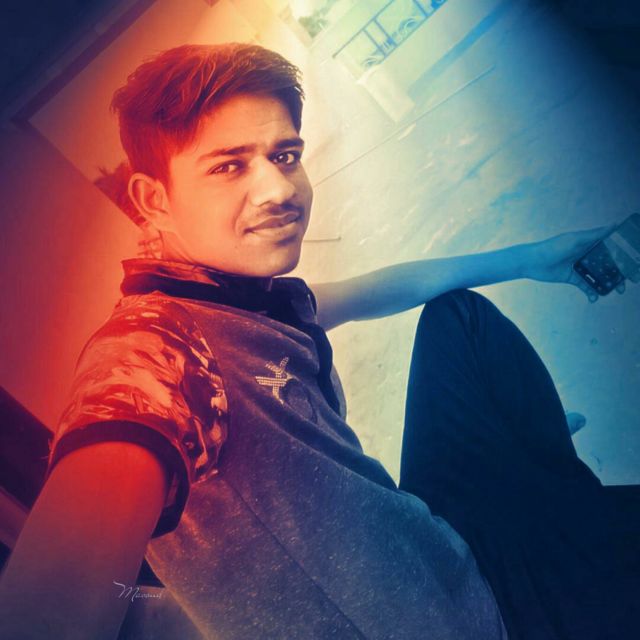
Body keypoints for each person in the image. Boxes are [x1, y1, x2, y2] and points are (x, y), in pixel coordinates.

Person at [0, 43, 637, 640]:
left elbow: (379, 289)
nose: (279, 190)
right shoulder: (154, 350)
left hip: (430, 545)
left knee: (462, 320)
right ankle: (549, 500)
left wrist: (533, 258)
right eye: (228, 166)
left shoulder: (242, 297)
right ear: (154, 200)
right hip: (465, 618)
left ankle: (542, 488)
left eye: (284, 156)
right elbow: (48, 609)